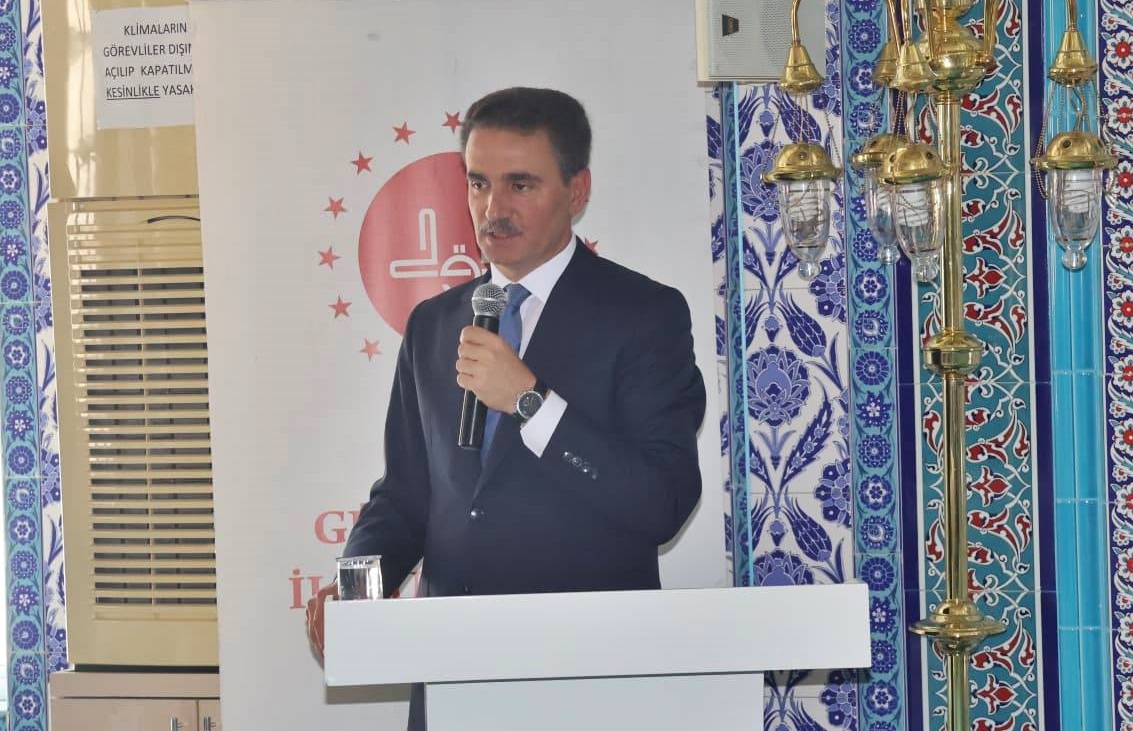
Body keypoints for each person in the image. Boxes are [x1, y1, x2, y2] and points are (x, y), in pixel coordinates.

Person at [306, 86, 706, 730]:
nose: (494, 209)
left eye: (521, 184)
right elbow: (407, 494)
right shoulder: (435, 324)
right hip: (453, 671)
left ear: (577, 191)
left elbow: (662, 503)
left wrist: (530, 401)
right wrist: (358, 584)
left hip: (587, 674)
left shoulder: (643, 315)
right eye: (478, 184)